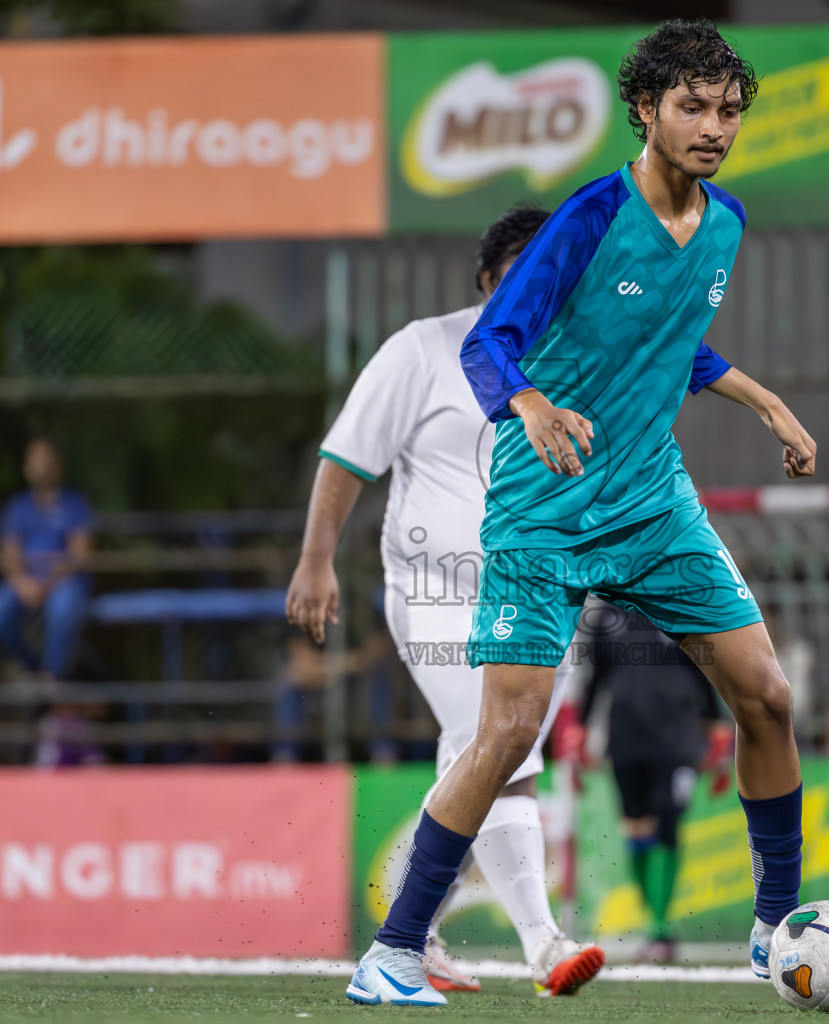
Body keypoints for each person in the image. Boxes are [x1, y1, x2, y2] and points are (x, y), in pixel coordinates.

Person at [346, 20, 819, 1007]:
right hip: (544, 500)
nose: (715, 126)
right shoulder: (588, 219)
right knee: (508, 733)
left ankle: (777, 926)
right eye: (693, 106)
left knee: (768, 695)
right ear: (645, 109)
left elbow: (668, 344)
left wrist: (768, 401)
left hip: (652, 502)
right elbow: (492, 344)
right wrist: (530, 402)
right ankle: (392, 951)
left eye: (729, 110)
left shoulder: (724, 223)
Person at [289, 204, 600, 998]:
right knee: (501, 743)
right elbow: (347, 459)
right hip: (434, 594)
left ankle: (414, 935)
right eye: (529, 270)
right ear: (491, 280)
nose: (546, 285)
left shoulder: (583, 362)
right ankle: (543, 943)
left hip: (538, 593)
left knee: (475, 759)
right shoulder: (425, 348)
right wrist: (317, 561)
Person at [571, 599, 733, 964]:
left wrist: (718, 728)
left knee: (669, 826)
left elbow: (703, 672)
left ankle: (661, 927)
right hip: (625, 741)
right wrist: (580, 729)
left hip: (678, 742)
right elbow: (596, 676)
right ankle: (653, 923)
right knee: (637, 829)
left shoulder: (677, 608)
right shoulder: (608, 617)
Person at [0, 438, 93, 680]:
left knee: (62, 609)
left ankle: (54, 676)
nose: (41, 466)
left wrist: (48, 583)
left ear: (59, 465)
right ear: (25, 468)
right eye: (35, 460)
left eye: (47, 459)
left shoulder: (75, 504)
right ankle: (33, 667)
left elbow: (80, 554)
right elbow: (9, 555)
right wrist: (23, 583)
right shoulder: (18, 506)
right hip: (26, 579)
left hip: (64, 580)